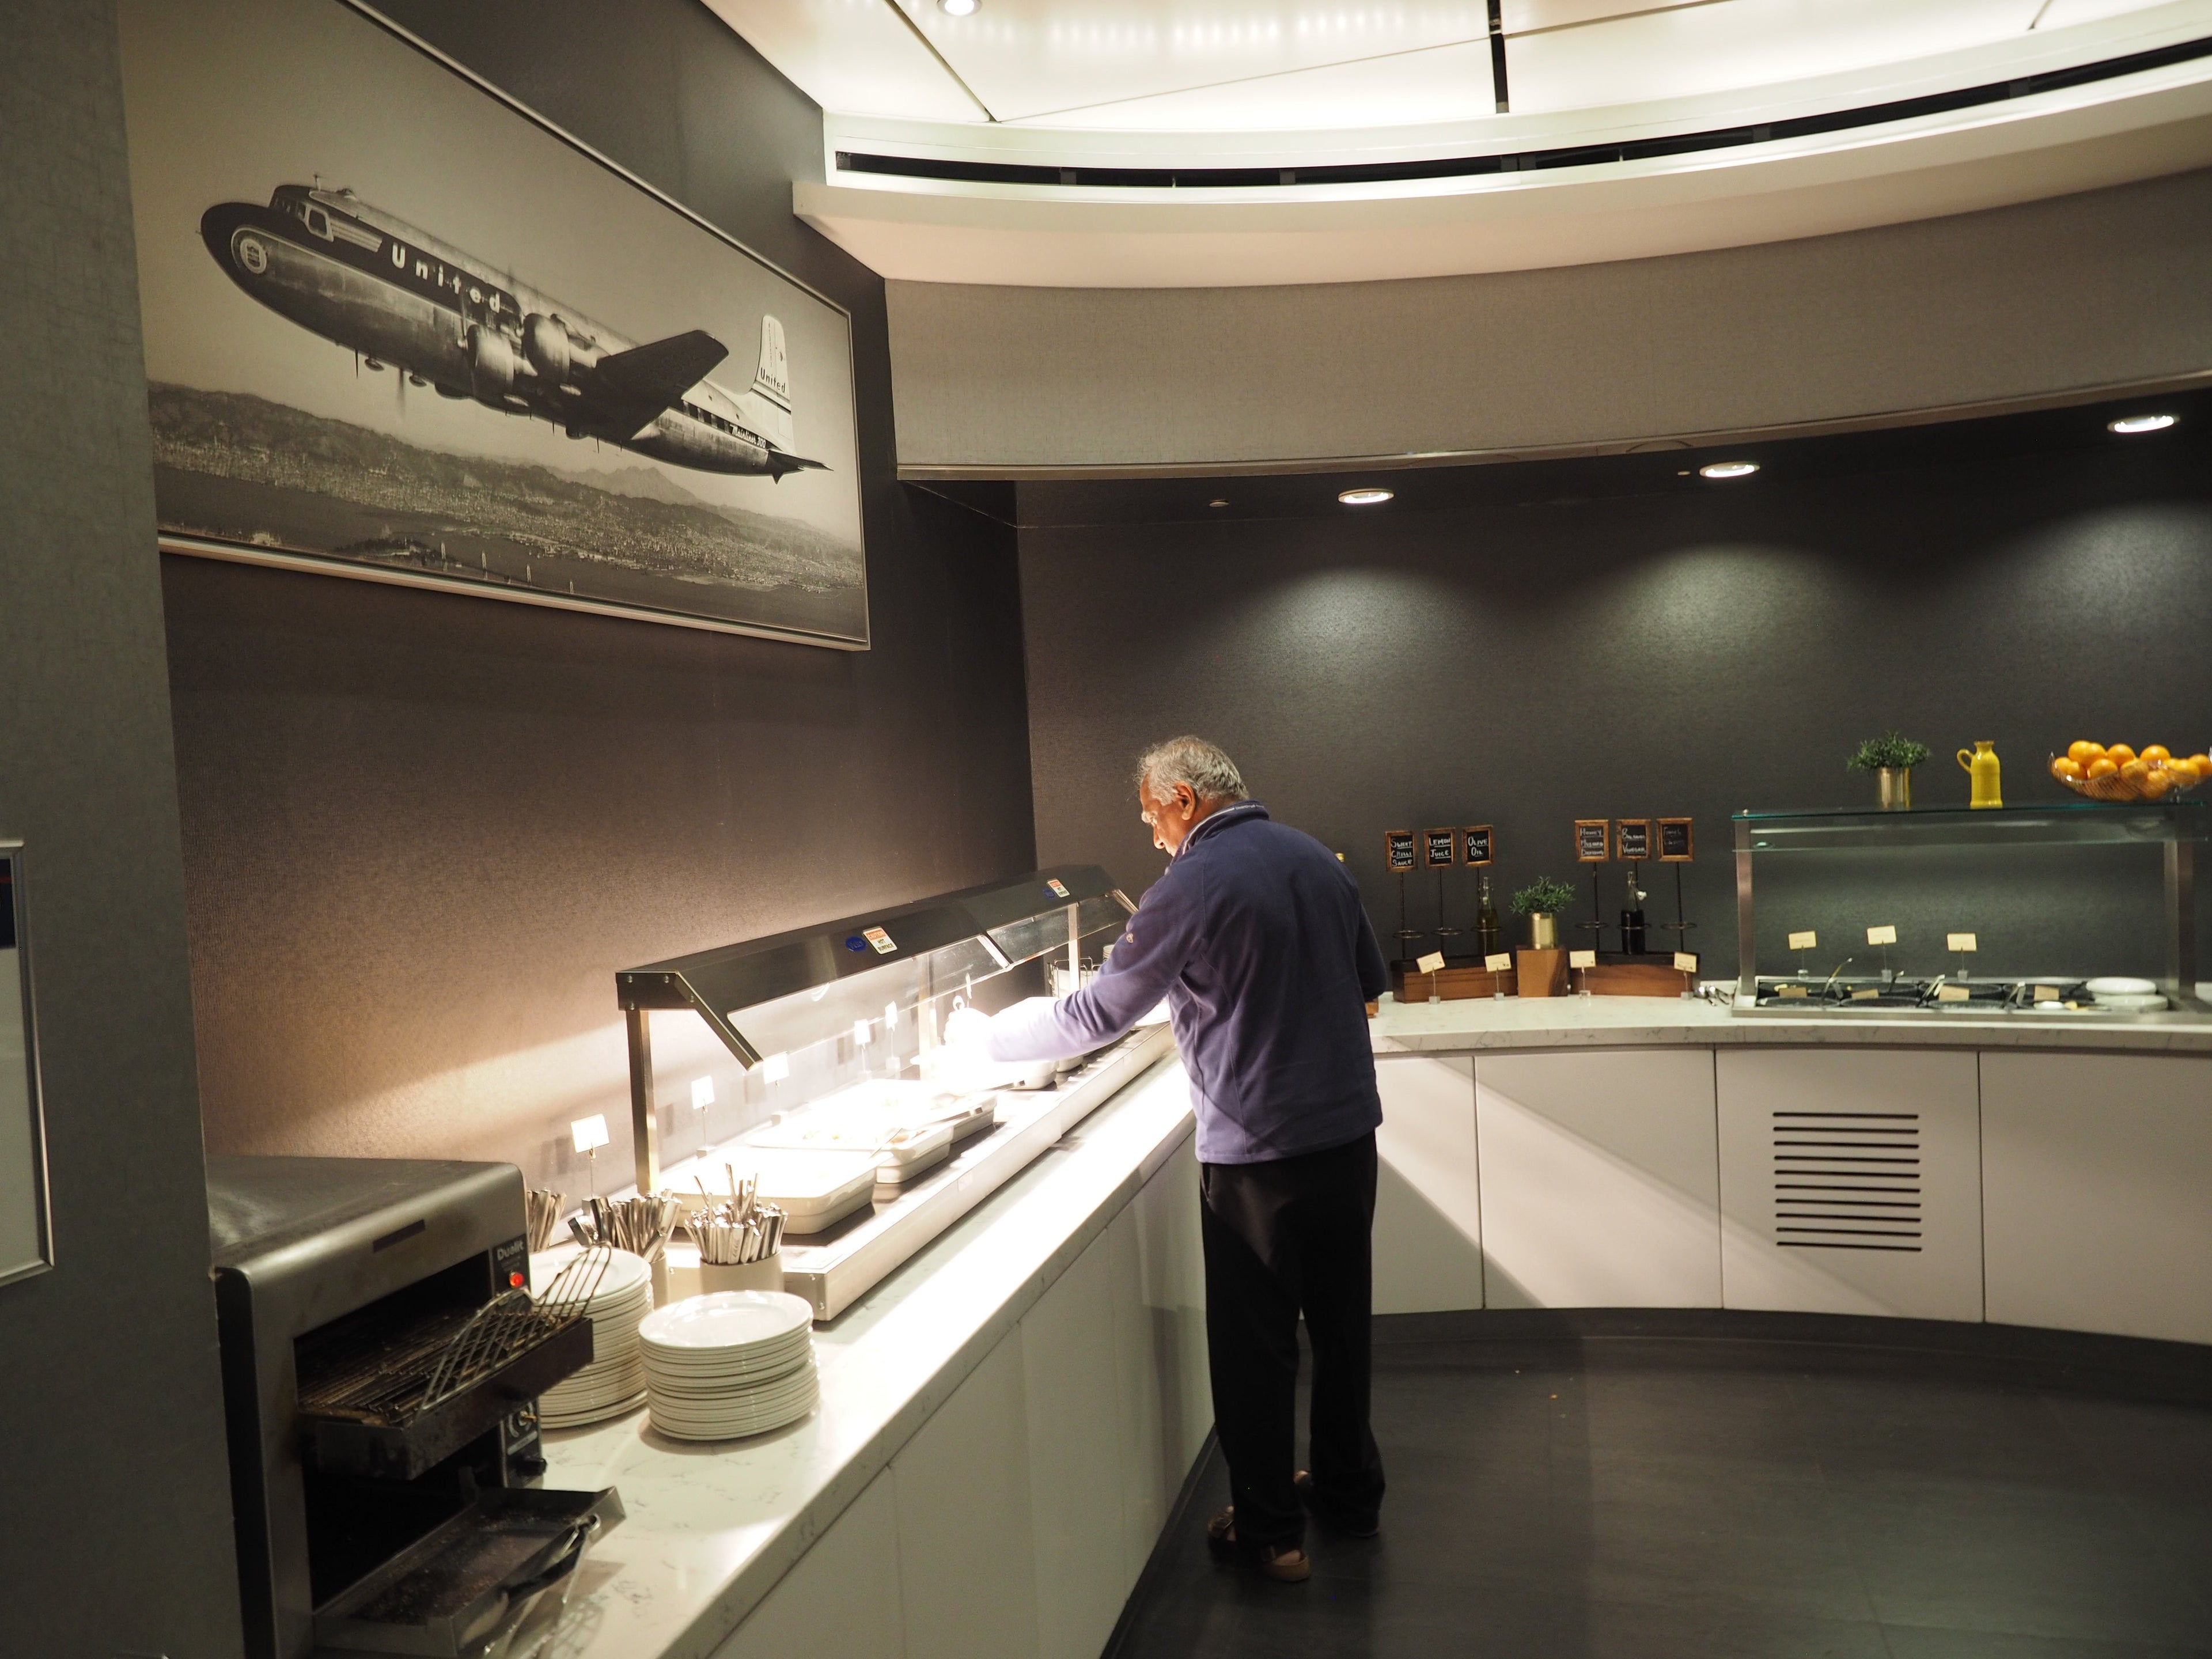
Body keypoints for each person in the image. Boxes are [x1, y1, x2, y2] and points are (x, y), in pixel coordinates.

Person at [956, 735, 1388, 1583]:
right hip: (1347, 1139)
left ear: (1184, 799)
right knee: (1343, 1330)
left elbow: (1099, 1014)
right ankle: (1351, 1494)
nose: (1153, 834)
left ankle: (1272, 1534)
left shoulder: (1188, 884)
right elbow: (1367, 983)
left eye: (1152, 815)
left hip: (1256, 1154)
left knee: (1256, 1347)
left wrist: (985, 1041)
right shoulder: (1318, 860)